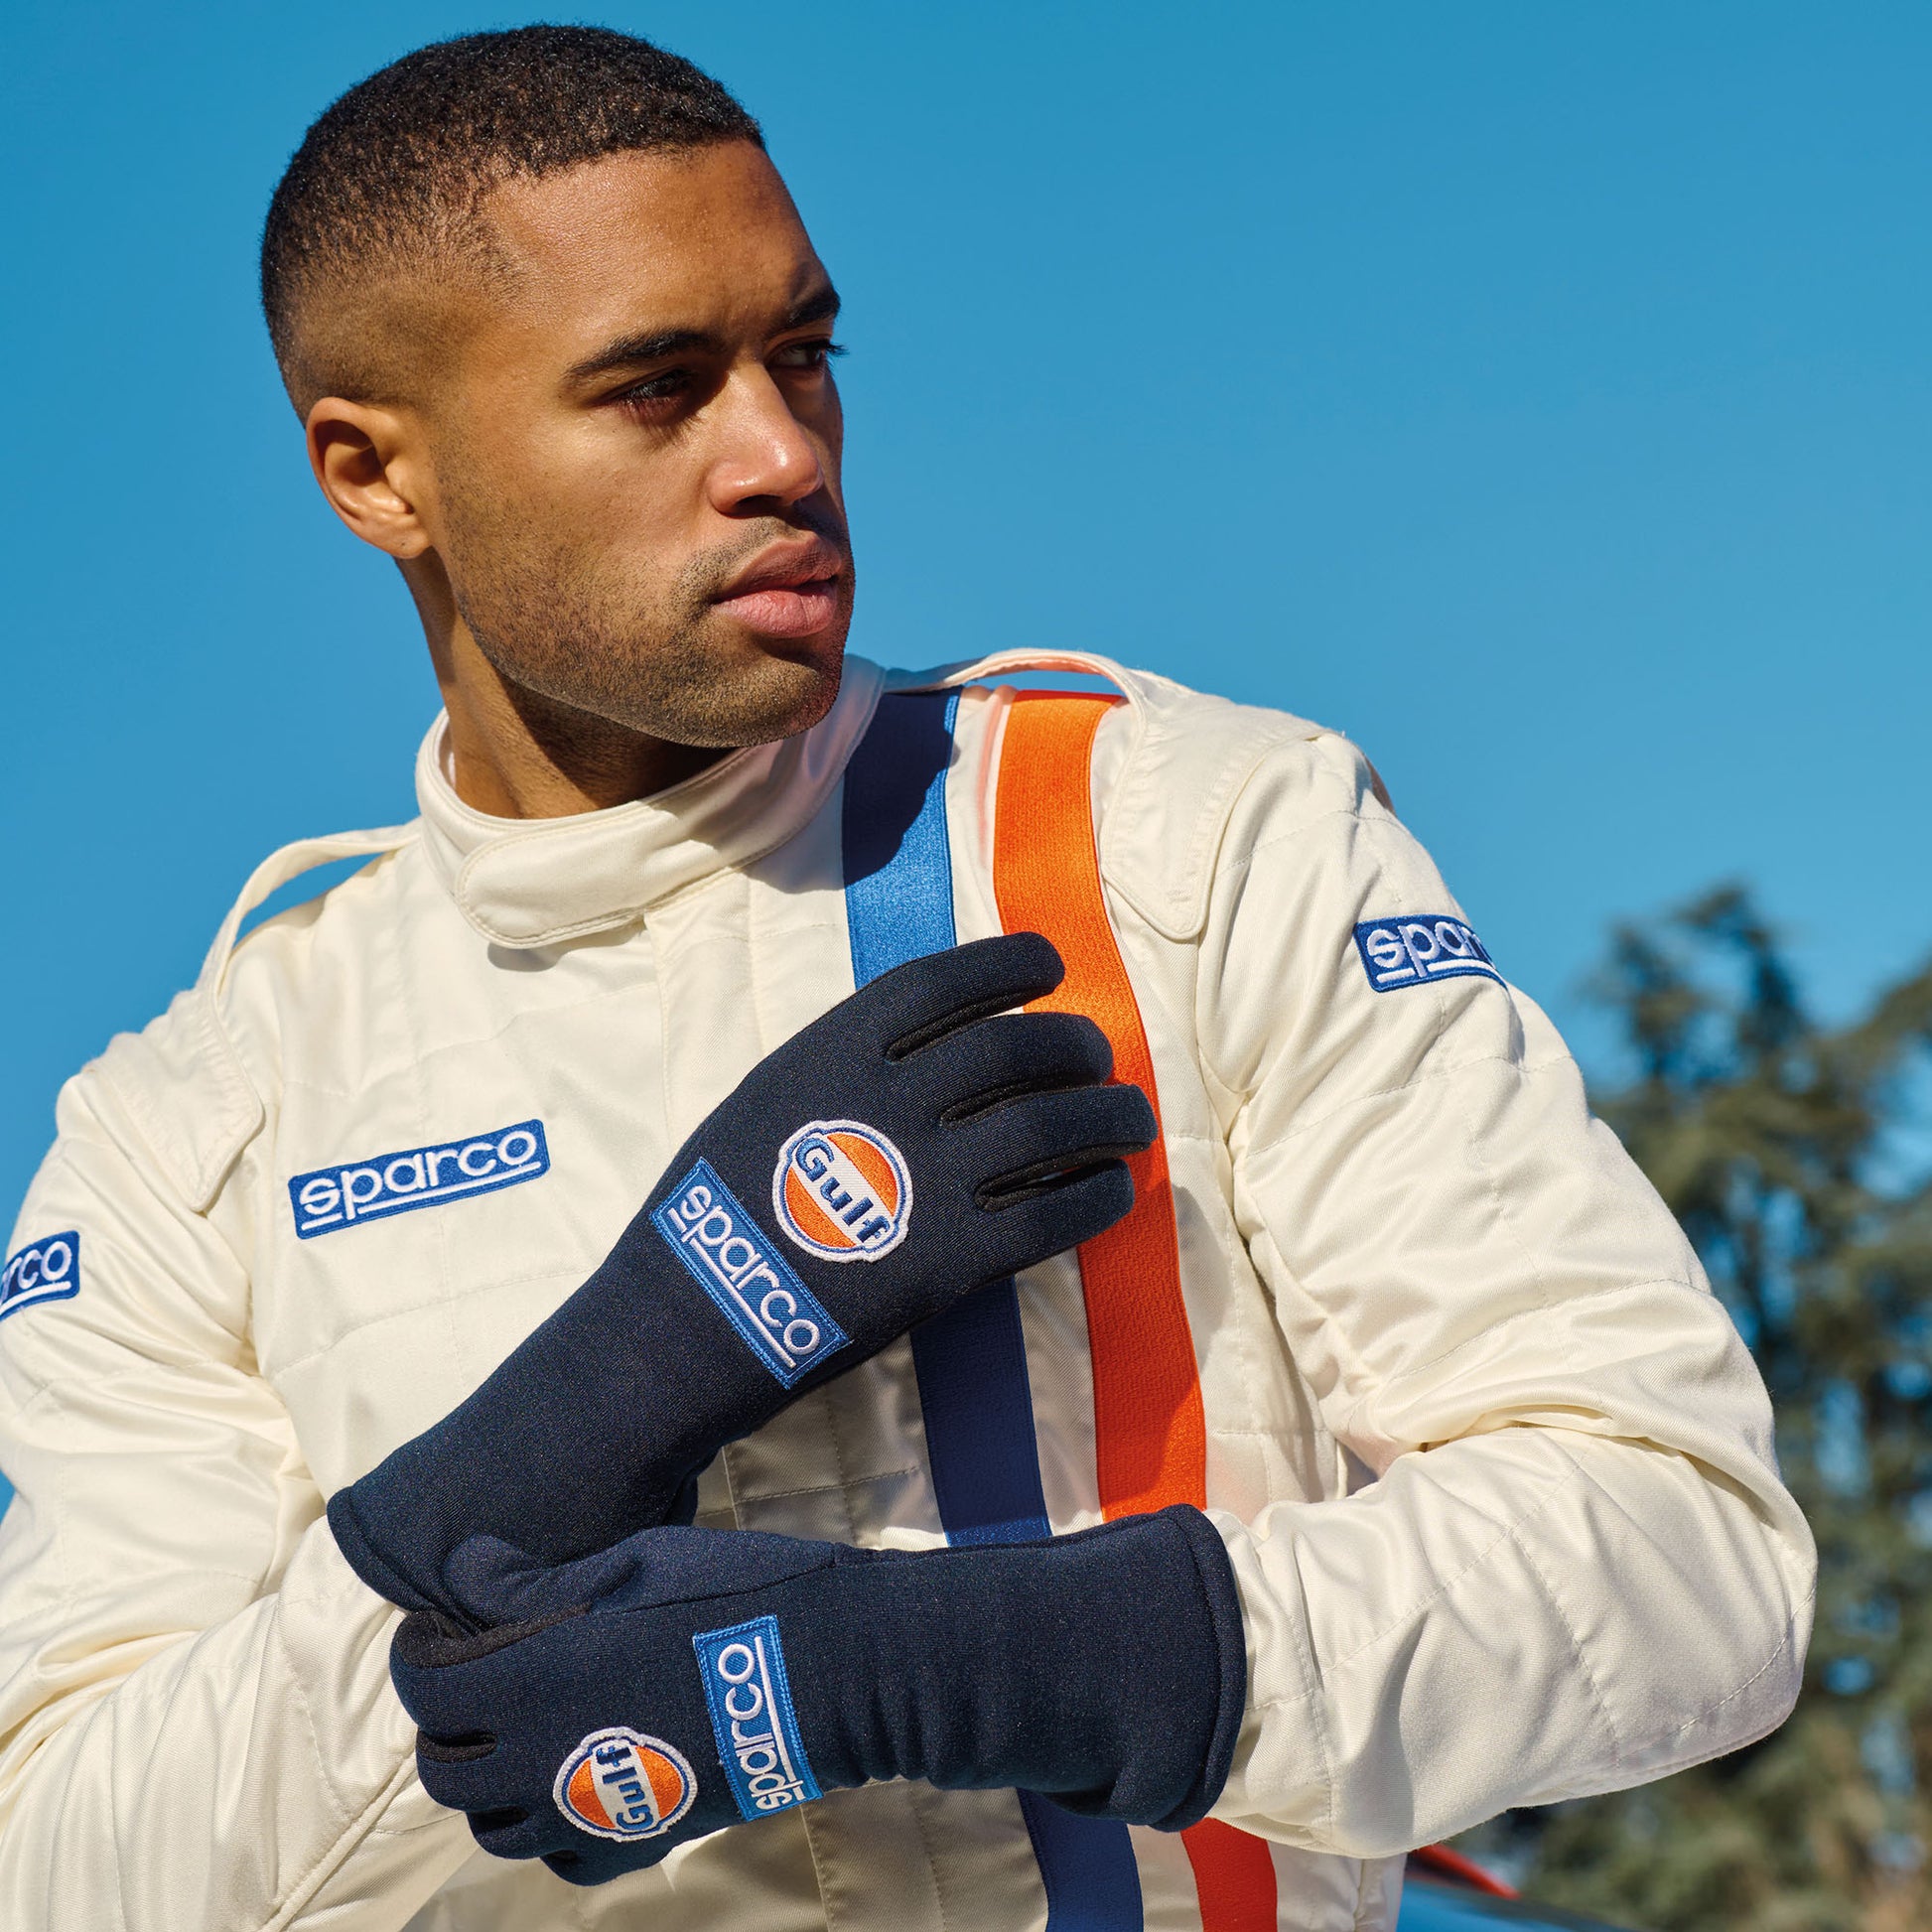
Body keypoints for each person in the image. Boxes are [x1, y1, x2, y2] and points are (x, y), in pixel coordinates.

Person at [0, 26, 1814, 1932]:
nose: (783, 454)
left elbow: (1684, 1568)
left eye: (802, 354)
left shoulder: (1189, 838)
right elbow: (55, 1861)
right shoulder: (194, 1124)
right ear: (376, 475)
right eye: (656, 389)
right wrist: (598, 1403)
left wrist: (896, 1667)